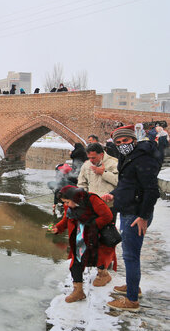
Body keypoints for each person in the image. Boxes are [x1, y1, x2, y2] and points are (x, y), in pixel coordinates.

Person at [101, 125, 162, 312]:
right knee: (130, 255)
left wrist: (143, 216)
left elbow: (152, 191)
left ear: (134, 140)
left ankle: (132, 300)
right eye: (118, 142)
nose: (122, 145)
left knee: (130, 256)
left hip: (135, 215)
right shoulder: (128, 157)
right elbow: (127, 184)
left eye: (125, 141)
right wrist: (113, 194)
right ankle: (132, 286)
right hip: (129, 210)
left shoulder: (143, 158)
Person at [52, 186, 114, 302]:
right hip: (79, 238)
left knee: (97, 257)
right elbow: (67, 219)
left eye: (67, 202)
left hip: (96, 236)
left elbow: (107, 216)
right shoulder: (69, 206)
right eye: (64, 202)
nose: (67, 205)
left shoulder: (92, 200)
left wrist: (91, 225)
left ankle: (103, 274)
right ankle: (78, 291)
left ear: (74, 197)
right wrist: (58, 228)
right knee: (77, 261)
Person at [78, 142, 119, 286]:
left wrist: (103, 173)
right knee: (93, 237)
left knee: (107, 238)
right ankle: (101, 266)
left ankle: (104, 270)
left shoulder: (114, 163)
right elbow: (81, 183)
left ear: (101, 154)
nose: (91, 160)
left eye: (94, 158)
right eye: (89, 157)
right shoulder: (86, 165)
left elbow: (120, 183)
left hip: (108, 207)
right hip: (92, 207)